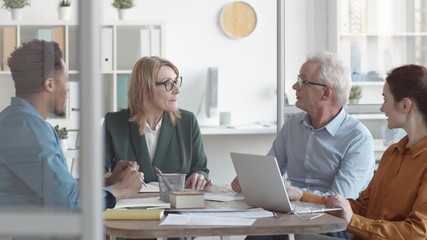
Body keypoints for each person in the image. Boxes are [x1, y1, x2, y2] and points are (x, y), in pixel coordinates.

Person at [231, 51, 375, 239]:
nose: (294, 86)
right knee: (257, 236)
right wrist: (250, 181)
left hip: (331, 225)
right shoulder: (292, 125)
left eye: (303, 81)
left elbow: (338, 202)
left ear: (326, 92)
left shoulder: (358, 138)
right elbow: (269, 172)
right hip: (287, 216)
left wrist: (299, 194)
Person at [287, 64, 427, 240]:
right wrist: (302, 196)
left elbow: (419, 232)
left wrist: (353, 221)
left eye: (385, 100)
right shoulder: (393, 153)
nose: (382, 109)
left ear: (405, 105)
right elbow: (363, 206)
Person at [0, 39, 142, 209]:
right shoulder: (29, 129)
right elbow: (70, 202)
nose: (68, 88)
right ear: (50, 84)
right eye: (66, 80)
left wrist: (108, 181)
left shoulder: (16, 120)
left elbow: (58, 188)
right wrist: (122, 189)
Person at [104, 56, 212, 190]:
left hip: (177, 206)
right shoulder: (114, 123)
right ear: (145, 89)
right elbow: (97, 175)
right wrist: (115, 177)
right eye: (168, 84)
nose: (177, 90)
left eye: (176, 82)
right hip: (131, 207)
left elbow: (201, 169)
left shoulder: (188, 122)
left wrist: (199, 176)